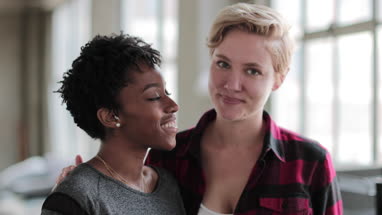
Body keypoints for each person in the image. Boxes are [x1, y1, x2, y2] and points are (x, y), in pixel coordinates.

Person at [56, 3, 343, 215]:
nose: (232, 84)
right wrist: (84, 191)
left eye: (253, 71)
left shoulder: (311, 163)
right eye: (223, 64)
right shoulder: (165, 158)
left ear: (279, 78)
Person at [41, 34, 186, 215]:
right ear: (110, 116)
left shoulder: (167, 184)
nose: (173, 106)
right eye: (155, 96)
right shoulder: (76, 196)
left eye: (167, 92)